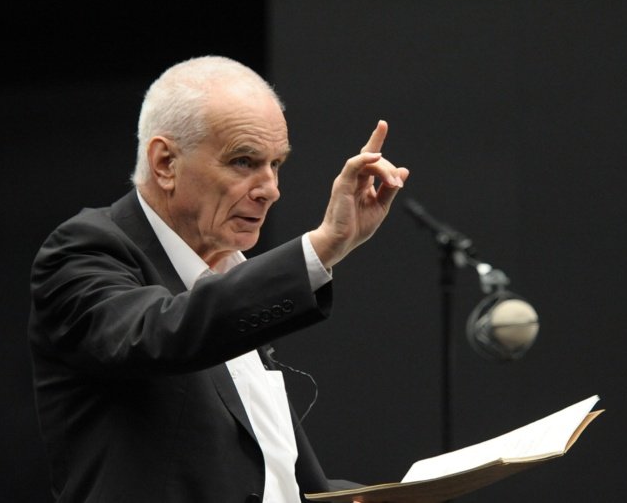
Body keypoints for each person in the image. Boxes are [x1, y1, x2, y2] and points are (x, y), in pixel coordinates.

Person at [27, 55, 409, 503]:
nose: (271, 189)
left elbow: (273, 484)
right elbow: (159, 333)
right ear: (165, 163)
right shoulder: (84, 249)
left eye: (276, 164)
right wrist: (323, 246)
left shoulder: (232, 280)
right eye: (244, 161)